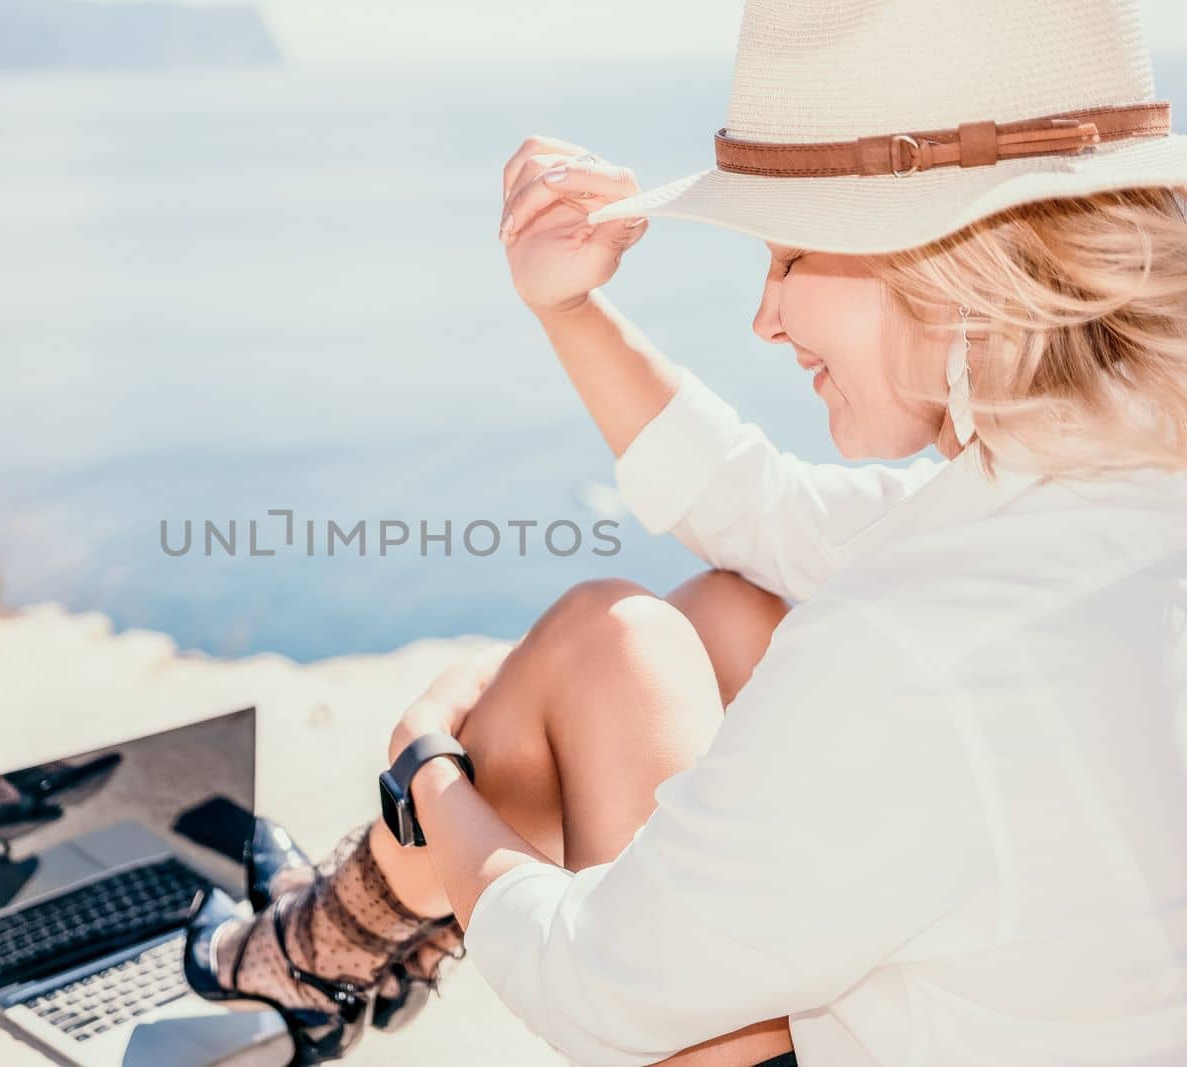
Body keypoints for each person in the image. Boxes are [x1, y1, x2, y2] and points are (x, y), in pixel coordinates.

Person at [182, 0, 1187, 1063]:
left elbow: (596, 982)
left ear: (947, 260)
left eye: (793, 258)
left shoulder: (910, 646)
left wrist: (429, 774)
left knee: (599, 631)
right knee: (716, 612)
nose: (765, 316)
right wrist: (568, 309)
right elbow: (763, 514)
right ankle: (343, 933)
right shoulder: (1110, 481)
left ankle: (333, 938)